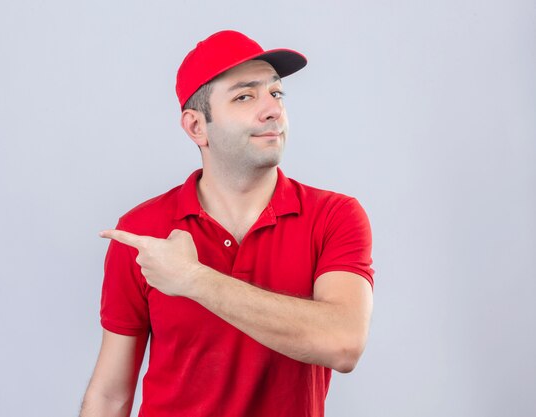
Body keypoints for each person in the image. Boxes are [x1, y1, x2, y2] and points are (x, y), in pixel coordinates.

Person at [80, 30, 374, 417]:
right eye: (244, 96)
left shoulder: (334, 216)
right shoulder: (143, 231)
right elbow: (110, 395)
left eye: (276, 93)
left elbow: (343, 342)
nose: (272, 109)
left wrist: (192, 278)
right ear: (196, 127)